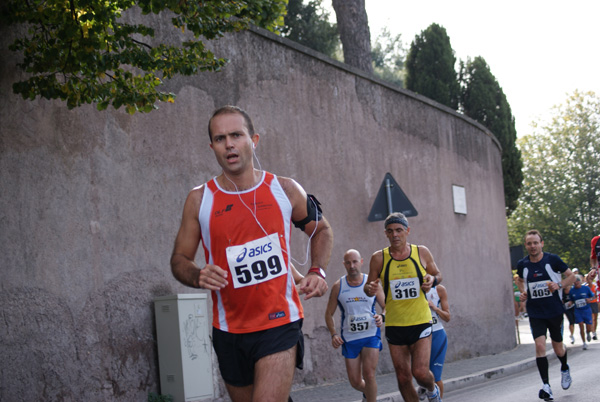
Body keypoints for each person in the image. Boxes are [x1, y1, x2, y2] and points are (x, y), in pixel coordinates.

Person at [170, 105, 334, 402]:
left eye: (236, 135)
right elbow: (179, 260)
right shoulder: (199, 200)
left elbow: (321, 231)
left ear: (253, 140)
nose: (229, 144)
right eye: (220, 139)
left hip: (279, 322)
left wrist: (317, 270)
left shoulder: (284, 189)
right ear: (212, 147)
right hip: (229, 329)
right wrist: (197, 274)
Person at [364, 212, 443, 402]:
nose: (395, 235)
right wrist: (370, 288)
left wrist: (432, 280)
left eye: (399, 230)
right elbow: (368, 288)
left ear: (407, 231)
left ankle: (432, 391)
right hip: (395, 324)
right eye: (390, 231)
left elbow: (438, 275)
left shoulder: (421, 252)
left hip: (421, 320)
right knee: (402, 377)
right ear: (386, 234)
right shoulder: (378, 258)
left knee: (420, 372)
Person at [516, 229, 576, 401]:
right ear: (526, 246)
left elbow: (572, 276)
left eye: (536, 243)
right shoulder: (523, 264)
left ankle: (564, 367)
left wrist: (559, 284)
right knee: (540, 346)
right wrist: (523, 292)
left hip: (554, 310)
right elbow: (519, 279)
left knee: (558, 347)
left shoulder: (553, 260)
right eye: (529, 243)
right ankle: (546, 386)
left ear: (541, 244)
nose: (533, 246)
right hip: (535, 312)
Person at [325, 249, 386, 402]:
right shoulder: (338, 286)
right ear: (344, 264)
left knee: (369, 374)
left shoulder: (372, 284)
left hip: (371, 335)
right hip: (350, 338)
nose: (352, 266)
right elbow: (328, 314)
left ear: (361, 262)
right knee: (355, 382)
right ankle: (370, 394)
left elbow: (387, 306)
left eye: (355, 262)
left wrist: (382, 316)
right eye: (348, 262)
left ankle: (371, 399)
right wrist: (334, 334)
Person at [417, 284, 450, 400]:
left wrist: (435, 308)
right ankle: (423, 387)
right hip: (420, 336)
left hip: (437, 335)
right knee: (421, 374)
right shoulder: (413, 287)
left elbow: (447, 317)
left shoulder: (439, 289)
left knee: (436, 376)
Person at [567, 275, 594, 350]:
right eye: (574, 283)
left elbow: (593, 296)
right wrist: (570, 303)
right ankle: (584, 343)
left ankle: (588, 333)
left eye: (577, 282)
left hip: (586, 310)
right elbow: (571, 300)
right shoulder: (572, 290)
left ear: (580, 282)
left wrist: (589, 299)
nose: (576, 284)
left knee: (589, 327)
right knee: (581, 325)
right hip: (578, 311)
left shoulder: (586, 288)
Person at [585, 271, 598, 340]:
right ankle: (588, 332)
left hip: (594, 303)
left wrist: (593, 298)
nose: (590, 280)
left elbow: (596, 295)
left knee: (595, 318)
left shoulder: (594, 286)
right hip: (588, 304)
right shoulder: (585, 287)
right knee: (589, 319)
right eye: (588, 279)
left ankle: (594, 332)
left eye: (591, 279)